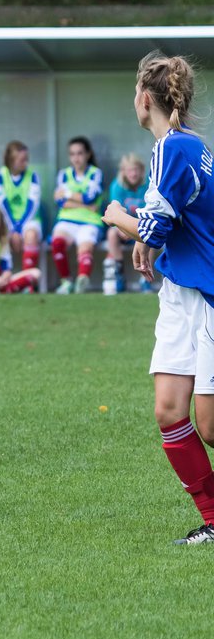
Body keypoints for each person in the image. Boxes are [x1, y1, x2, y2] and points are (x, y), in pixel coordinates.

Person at [102, 50, 214, 546]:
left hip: (208, 296)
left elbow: (153, 223)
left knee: (210, 425)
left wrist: (117, 217)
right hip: (178, 293)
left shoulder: (176, 148)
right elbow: (164, 225)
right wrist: (148, 241)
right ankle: (213, 522)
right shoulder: (174, 148)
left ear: (144, 98)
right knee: (170, 410)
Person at [50, 136, 105, 294]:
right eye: (72, 154)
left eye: (80, 153)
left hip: (90, 221)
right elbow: (61, 202)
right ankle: (66, 281)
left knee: (85, 249)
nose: (76, 158)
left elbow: (91, 197)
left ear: (88, 154)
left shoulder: (95, 173)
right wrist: (86, 205)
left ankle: (82, 282)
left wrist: (68, 194)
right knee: (57, 242)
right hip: (67, 219)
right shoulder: (64, 174)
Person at [0, 140, 43, 284]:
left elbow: (33, 204)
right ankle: (0, 282)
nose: (26, 163)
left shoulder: (33, 176)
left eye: (27, 159)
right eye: (22, 160)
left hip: (28, 220)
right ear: (11, 160)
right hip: (7, 221)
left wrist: (18, 229)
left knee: (31, 235)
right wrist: (13, 229)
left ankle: (28, 282)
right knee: (0, 237)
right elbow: (2, 205)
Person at [104, 152, 149, 295]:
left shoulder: (148, 185)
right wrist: (122, 229)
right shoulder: (117, 186)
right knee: (111, 234)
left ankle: (145, 279)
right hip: (123, 231)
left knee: (151, 236)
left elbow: (152, 213)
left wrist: (135, 229)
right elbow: (115, 212)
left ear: (142, 170)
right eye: (130, 170)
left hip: (141, 229)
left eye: (136, 169)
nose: (133, 173)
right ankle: (119, 275)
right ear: (123, 172)